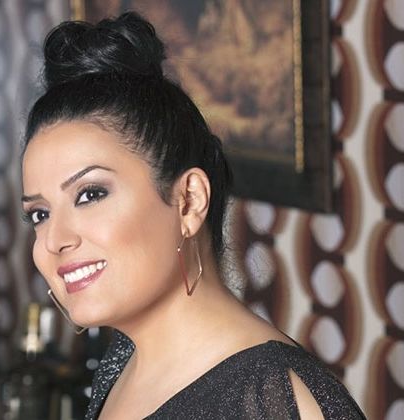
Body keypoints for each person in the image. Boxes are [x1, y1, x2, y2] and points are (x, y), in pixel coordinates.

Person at [20, 11, 365, 420]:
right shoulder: (123, 359)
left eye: (90, 194)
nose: (55, 240)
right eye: (39, 214)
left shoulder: (278, 401)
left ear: (189, 200)